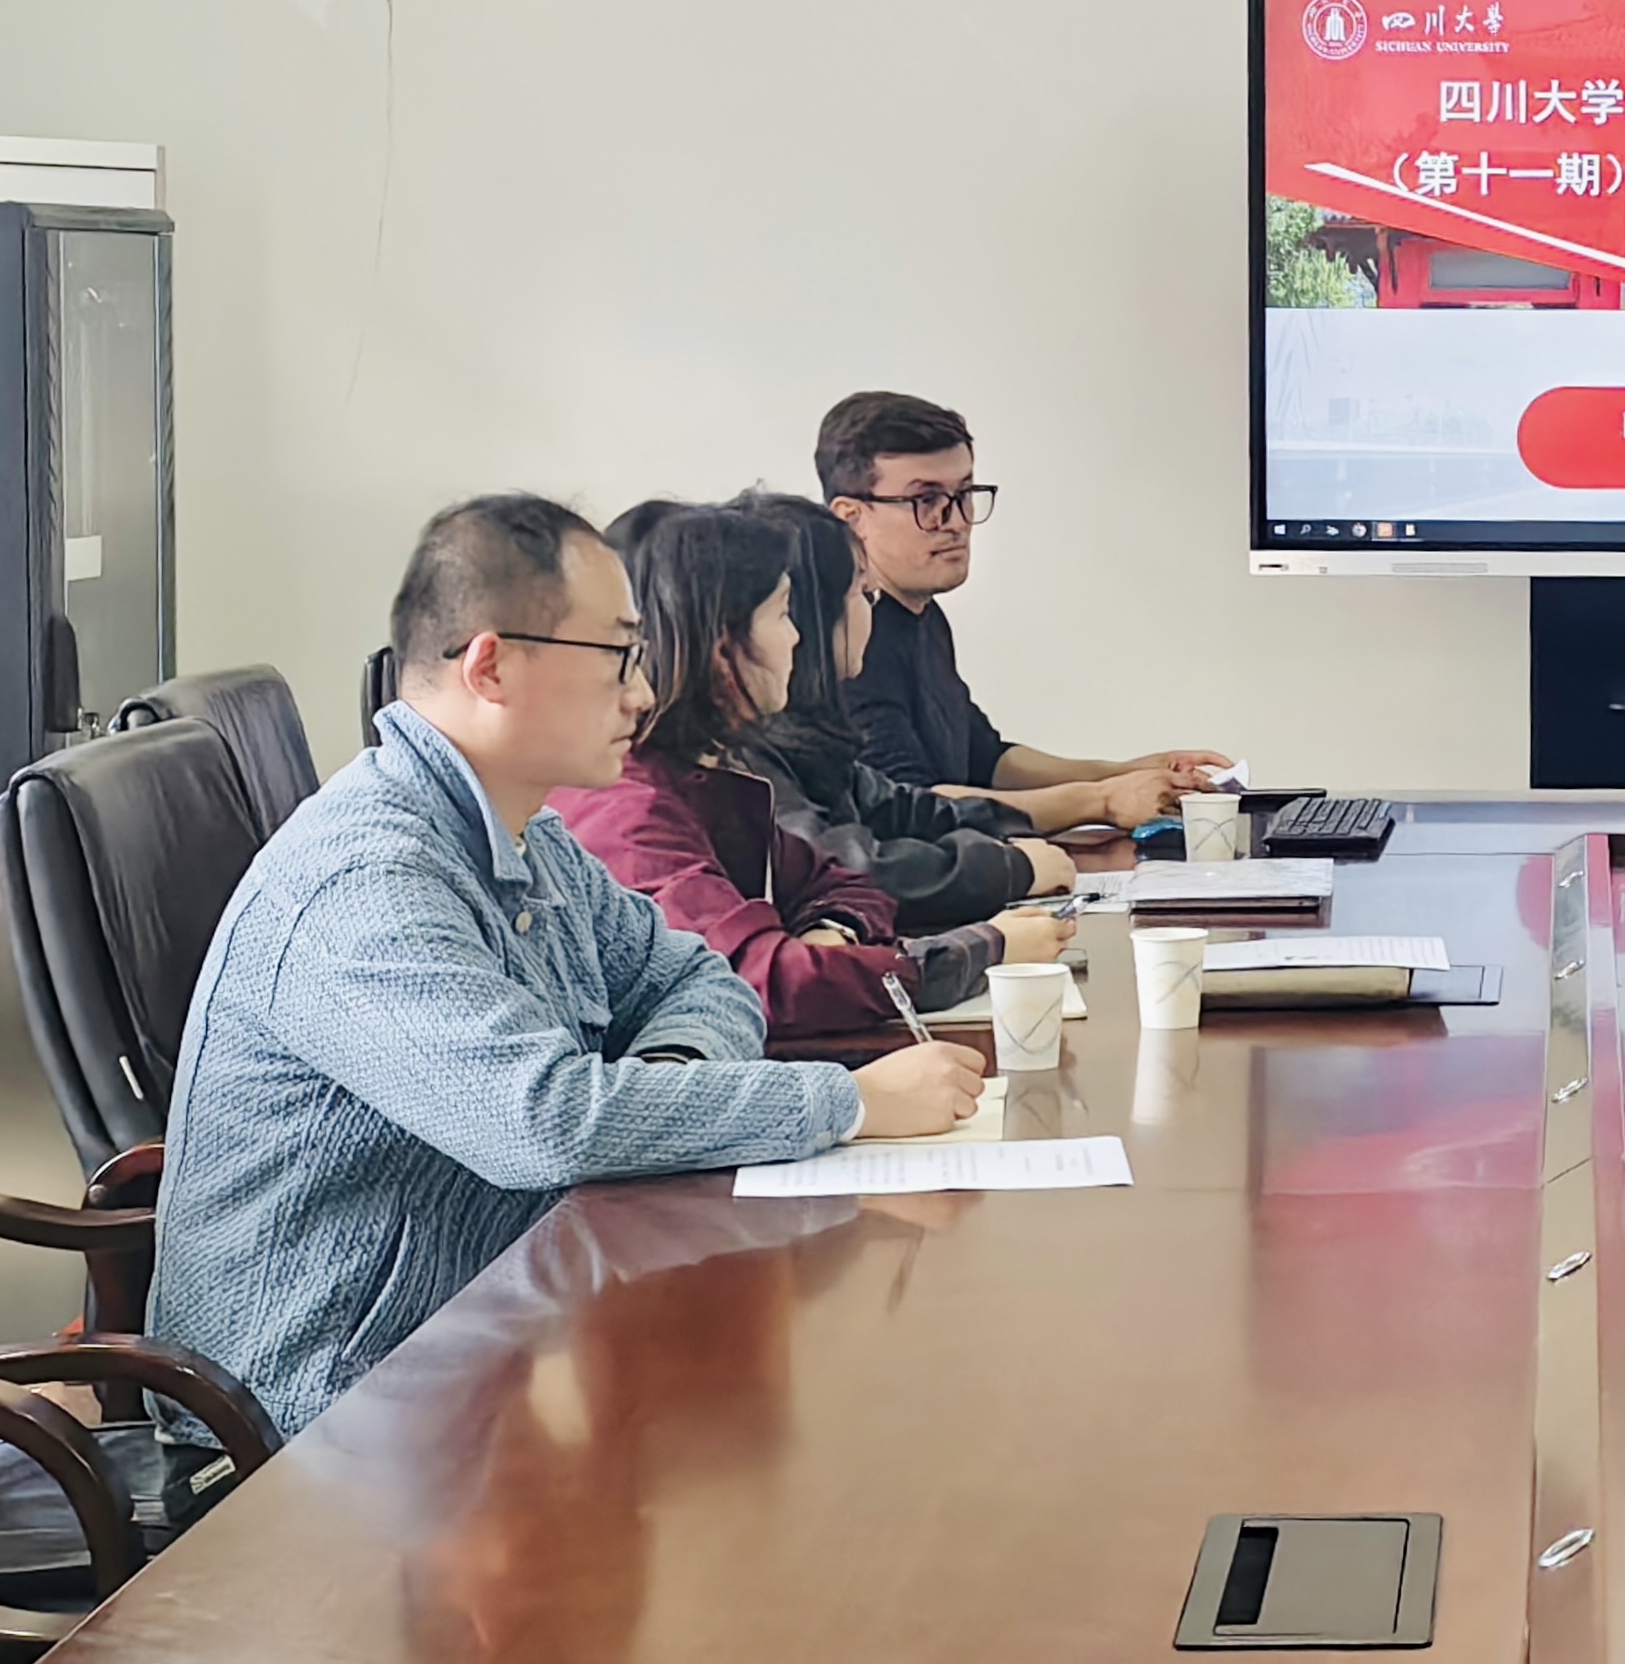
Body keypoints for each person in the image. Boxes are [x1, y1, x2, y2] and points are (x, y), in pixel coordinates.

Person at [147, 495, 982, 1436]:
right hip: (313, 1425)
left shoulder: (528, 835)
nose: (642, 693)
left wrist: (665, 1082)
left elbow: (699, 980)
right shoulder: (367, 882)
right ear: (491, 666)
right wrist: (850, 1102)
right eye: (618, 655)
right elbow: (545, 1122)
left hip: (490, 1356)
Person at [552, 505, 1075, 1040]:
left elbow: (842, 881)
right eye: (782, 614)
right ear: (725, 646)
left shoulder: (706, 779)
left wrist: (830, 931)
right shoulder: (633, 811)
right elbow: (768, 986)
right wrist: (986, 949)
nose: (798, 638)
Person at [815, 390, 1232, 831]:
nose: (957, 521)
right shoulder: (846, 644)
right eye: (926, 500)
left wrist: (1127, 773)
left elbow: (988, 761)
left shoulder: (921, 614)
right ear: (850, 517)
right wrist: (1103, 800)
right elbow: (912, 807)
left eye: (964, 493)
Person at [728, 489, 1076, 931]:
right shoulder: (747, 753)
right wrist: (1011, 869)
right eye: (863, 592)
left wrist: (1014, 835)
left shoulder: (809, 735)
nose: (873, 604)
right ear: (813, 615)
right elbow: (845, 872)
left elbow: (906, 809)